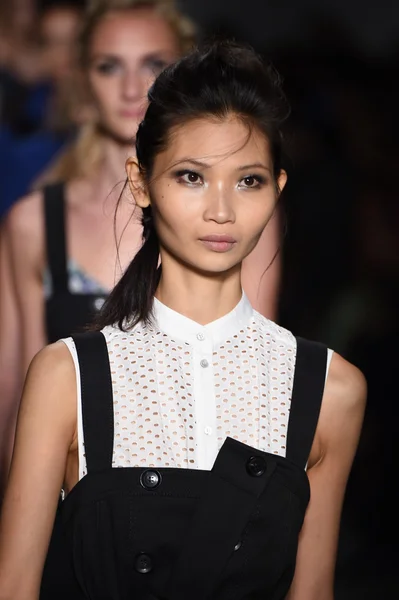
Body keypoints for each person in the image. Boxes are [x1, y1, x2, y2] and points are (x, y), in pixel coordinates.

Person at [0, 39, 366, 599]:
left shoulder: (328, 388)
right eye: (191, 176)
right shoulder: (68, 376)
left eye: (249, 180)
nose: (222, 209)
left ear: (278, 189)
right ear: (142, 182)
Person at [0, 0, 281, 494]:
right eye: (109, 66)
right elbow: (16, 394)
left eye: (154, 64)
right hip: (73, 511)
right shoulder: (34, 223)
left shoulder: (233, 216)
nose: (133, 88)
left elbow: (255, 375)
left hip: (204, 502)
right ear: (81, 76)